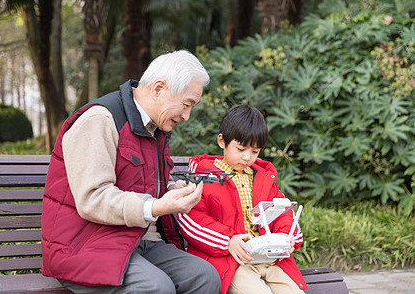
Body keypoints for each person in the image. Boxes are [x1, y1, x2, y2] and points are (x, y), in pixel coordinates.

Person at [41, 50, 221, 294]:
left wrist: (170, 189)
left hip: (138, 240)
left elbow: (142, 181)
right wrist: (156, 207)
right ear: (158, 89)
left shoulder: (154, 126)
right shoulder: (100, 119)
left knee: (204, 277)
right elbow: (92, 198)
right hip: (85, 246)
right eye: (186, 104)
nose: (187, 116)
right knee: (156, 288)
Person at [177, 105, 307, 294]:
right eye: (241, 149)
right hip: (231, 262)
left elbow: (282, 211)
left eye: (255, 152)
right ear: (222, 141)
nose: (247, 157)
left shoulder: (262, 178)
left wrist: (287, 236)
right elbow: (192, 220)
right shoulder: (204, 177)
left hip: (268, 259)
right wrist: (228, 240)